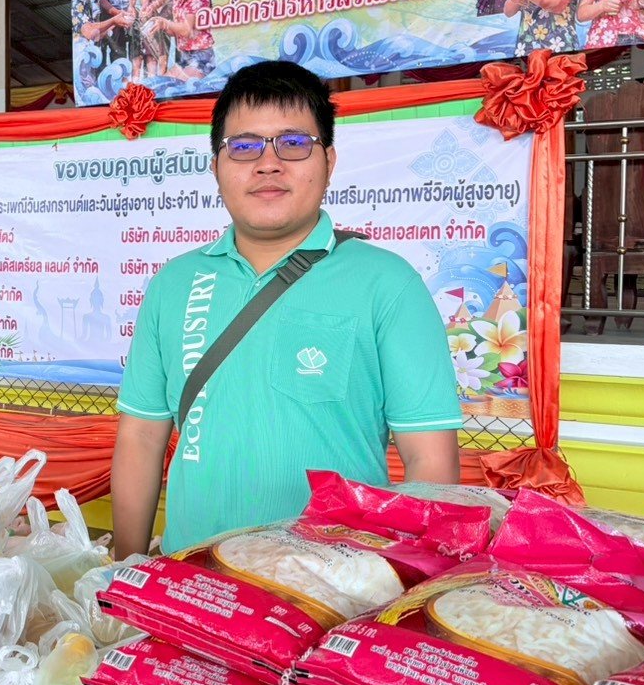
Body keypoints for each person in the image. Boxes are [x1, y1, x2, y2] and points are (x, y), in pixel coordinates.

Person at [110, 61, 463, 559]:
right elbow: (142, 438)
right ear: (216, 166)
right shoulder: (173, 284)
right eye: (244, 146)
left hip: (332, 601)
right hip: (188, 595)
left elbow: (431, 463)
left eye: (293, 144)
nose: (268, 163)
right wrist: (125, 575)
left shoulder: (388, 284)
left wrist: (387, 589)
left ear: (329, 161)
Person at [147, 0, 216, 80]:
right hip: (185, 58)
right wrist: (160, 26)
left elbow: (187, 30)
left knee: (175, 88)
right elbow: (175, 32)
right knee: (161, 84)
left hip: (201, 58)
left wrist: (165, 23)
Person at [73, 0, 128, 93]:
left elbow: (96, 35)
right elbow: (89, 32)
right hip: (81, 70)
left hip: (88, 69)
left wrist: (115, 25)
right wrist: (114, 20)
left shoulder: (86, 1)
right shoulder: (77, 0)